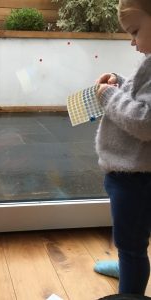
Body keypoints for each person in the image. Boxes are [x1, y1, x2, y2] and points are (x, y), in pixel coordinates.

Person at [93, 0, 151, 295]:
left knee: (132, 243)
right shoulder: (149, 59)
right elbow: (142, 95)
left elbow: (145, 121)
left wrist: (108, 97)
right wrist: (120, 83)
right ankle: (129, 264)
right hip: (127, 172)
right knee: (129, 236)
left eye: (135, 31)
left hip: (136, 176)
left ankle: (131, 284)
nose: (132, 41)